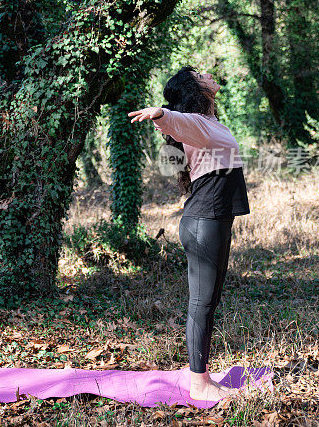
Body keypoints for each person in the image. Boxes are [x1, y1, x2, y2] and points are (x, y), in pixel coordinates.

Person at [127, 66, 250, 401]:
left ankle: (202, 376)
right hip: (205, 222)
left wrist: (168, 119)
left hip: (208, 219)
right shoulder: (195, 124)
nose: (208, 74)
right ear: (194, 87)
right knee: (202, 303)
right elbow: (180, 123)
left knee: (205, 302)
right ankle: (200, 384)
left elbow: (184, 135)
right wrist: (162, 115)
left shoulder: (207, 125)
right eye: (200, 73)